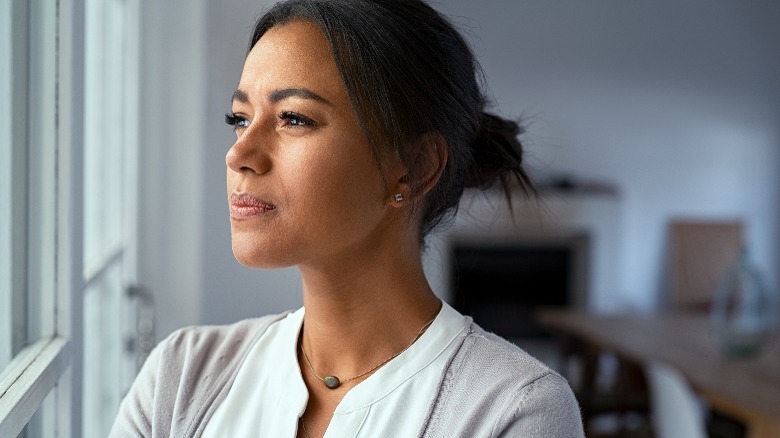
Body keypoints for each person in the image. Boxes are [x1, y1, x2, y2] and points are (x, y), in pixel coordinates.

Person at [110, 0, 584, 436]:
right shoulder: (181, 376)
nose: (240, 154)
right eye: (240, 119)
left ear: (415, 167)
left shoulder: (513, 411)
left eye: (294, 118)